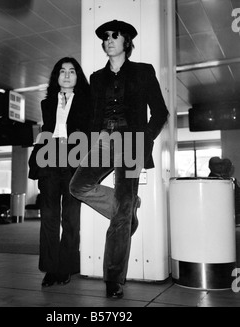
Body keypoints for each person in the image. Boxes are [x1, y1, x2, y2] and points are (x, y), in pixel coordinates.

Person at [69, 20, 169, 299]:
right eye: (105, 37)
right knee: (78, 187)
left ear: (127, 42)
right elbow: (92, 115)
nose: (109, 39)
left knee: (121, 218)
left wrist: (145, 137)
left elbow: (160, 112)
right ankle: (128, 206)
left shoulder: (143, 71)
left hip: (131, 141)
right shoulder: (96, 78)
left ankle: (113, 279)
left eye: (115, 36)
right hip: (102, 140)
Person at [28, 57, 91, 287]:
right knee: (49, 217)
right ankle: (50, 268)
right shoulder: (47, 103)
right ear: (56, 76)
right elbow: (47, 129)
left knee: (71, 218)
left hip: (74, 159)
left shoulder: (87, 101)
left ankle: (66, 268)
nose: (66, 75)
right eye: (62, 71)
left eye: (72, 71)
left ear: (77, 76)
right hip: (49, 158)